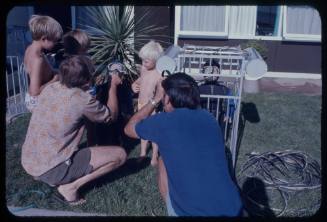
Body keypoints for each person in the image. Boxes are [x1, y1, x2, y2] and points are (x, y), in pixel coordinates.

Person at [124, 72, 243, 216]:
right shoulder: (209, 118)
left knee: (162, 159)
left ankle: (173, 208)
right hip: (233, 208)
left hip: (191, 212)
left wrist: (155, 100)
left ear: (166, 98)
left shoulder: (163, 121)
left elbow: (129, 129)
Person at [21, 55, 127, 205]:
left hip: (30, 160)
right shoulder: (82, 99)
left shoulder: (51, 87)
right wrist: (113, 86)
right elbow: (111, 116)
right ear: (86, 80)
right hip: (51, 168)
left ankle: (52, 177)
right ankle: (70, 188)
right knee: (120, 155)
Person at [131, 40, 163, 166]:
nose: (143, 63)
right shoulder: (144, 70)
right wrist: (134, 85)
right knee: (142, 130)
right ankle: (143, 153)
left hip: (153, 106)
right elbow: (140, 80)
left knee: (154, 131)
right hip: (141, 104)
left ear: (156, 61)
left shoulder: (159, 74)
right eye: (143, 60)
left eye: (146, 61)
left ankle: (154, 155)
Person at [24, 15, 63, 112]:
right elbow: (34, 92)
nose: (56, 43)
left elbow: (42, 72)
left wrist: (56, 72)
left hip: (33, 99)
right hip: (36, 101)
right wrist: (55, 79)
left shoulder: (30, 49)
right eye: (55, 40)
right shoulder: (38, 59)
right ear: (44, 39)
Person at [198, 59, 235, 139]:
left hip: (219, 116)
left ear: (218, 73)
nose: (211, 73)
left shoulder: (224, 89)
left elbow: (231, 104)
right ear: (203, 72)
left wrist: (229, 115)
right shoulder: (197, 89)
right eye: (208, 70)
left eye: (214, 71)